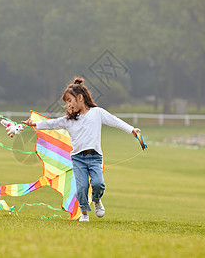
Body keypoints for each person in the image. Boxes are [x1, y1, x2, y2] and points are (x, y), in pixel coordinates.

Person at [22, 77, 141, 222]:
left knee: (98, 184)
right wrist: (34, 123)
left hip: (95, 156)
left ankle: (96, 200)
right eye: (67, 103)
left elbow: (115, 121)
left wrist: (132, 130)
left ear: (80, 98)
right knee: (81, 188)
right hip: (78, 159)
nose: (68, 106)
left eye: (70, 101)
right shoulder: (69, 120)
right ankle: (84, 214)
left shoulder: (97, 113)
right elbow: (52, 124)